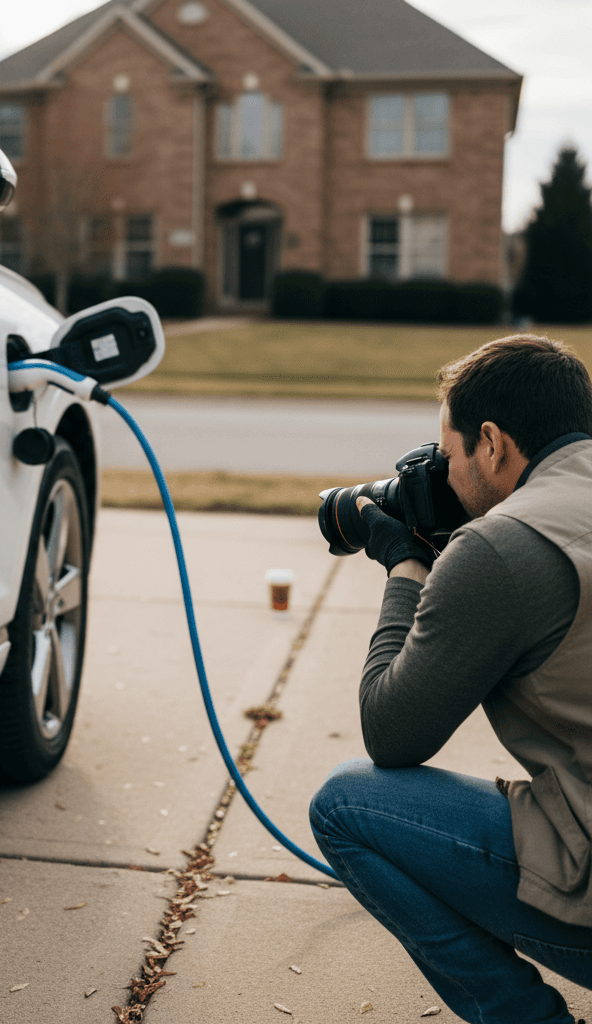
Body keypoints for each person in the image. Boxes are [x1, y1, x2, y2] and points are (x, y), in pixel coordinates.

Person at [310, 335, 592, 1024]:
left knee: (347, 804)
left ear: (492, 444)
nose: (444, 470)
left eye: (449, 452)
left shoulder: (502, 548)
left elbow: (392, 734)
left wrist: (406, 568)